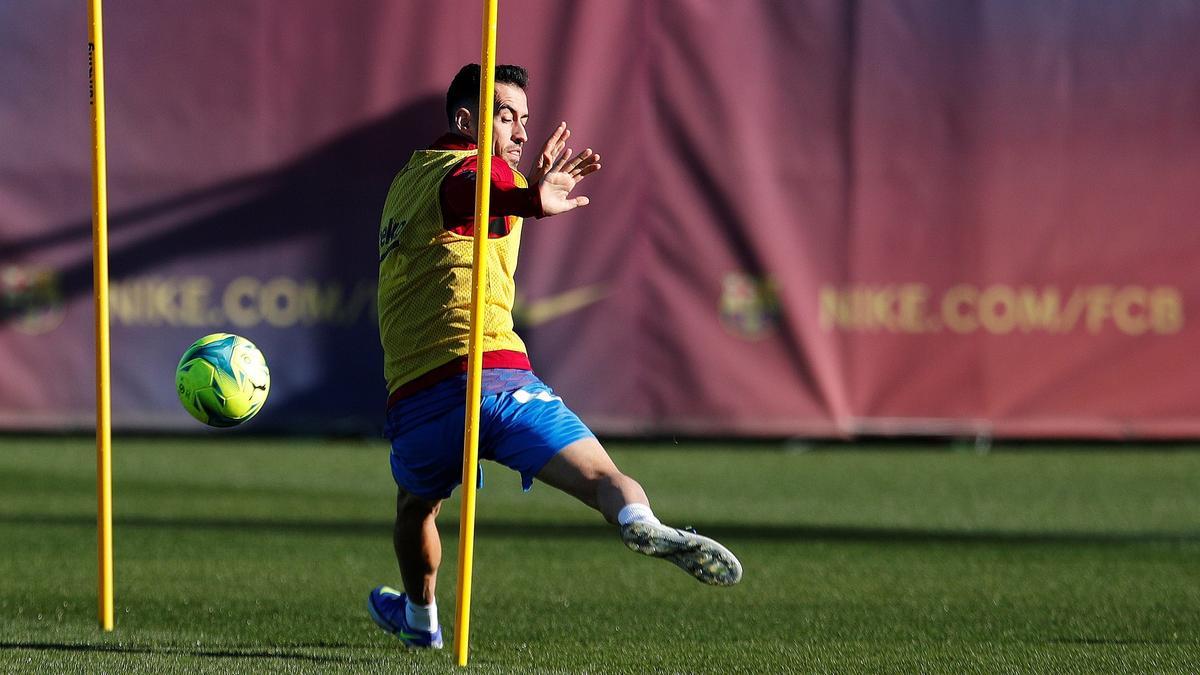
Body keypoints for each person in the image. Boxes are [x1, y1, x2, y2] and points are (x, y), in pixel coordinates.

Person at [367, 63, 742, 650]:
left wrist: (522, 196)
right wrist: (529, 199)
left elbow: (478, 200)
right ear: (466, 121)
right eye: (505, 116)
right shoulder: (474, 168)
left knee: (415, 512)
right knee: (603, 479)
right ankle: (639, 522)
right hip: (497, 382)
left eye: (523, 118)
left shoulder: (404, 182)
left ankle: (420, 620)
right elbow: (474, 188)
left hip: (420, 407)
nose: (520, 132)